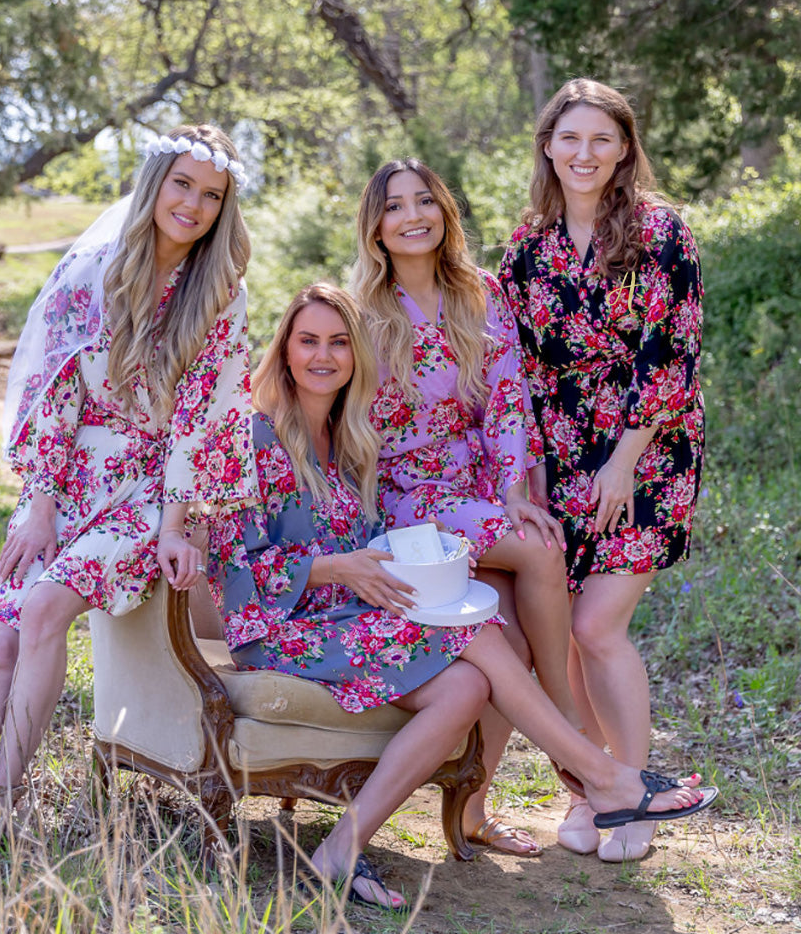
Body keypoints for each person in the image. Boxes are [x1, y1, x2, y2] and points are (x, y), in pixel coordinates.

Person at [208, 282, 715, 911]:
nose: (323, 355)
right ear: (284, 350)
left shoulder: (352, 441)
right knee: (477, 633)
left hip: (350, 618)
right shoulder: (253, 438)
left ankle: (341, 846)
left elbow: (373, 536)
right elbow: (232, 567)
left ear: (356, 356)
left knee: (468, 683)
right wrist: (336, 567)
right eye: (307, 340)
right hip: (283, 627)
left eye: (339, 342)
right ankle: (603, 776)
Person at [0, 124, 257, 853]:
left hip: (148, 494)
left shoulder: (218, 295)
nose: (194, 205)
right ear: (154, 185)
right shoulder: (95, 272)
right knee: (3, 639)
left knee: (47, 606)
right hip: (68, 477)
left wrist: (177, 524)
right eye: (182, 185)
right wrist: (41, 503)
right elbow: (56, 395)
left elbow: (200, 426)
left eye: (212, 195)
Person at [350, 159, 585, 858]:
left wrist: (515, 491)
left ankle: (474, 812)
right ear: (377, 227)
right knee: (540, 549)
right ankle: (568, 730)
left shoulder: (480, 293)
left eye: (426, 200)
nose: (413, 215)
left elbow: (509, 403)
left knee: (506, 633)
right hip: (403, 504)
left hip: (476, 490)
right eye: (396, 206)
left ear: (445, 213)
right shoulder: (362, 310)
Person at [499, 78, 706, 862]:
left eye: (601, 139)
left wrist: (623, 462)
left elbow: (670, 356)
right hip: (563, 463)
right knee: (565, 635)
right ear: (548, 146)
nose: (583, 154)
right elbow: (520, 371)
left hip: (647, 456)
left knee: (597, 626)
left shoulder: (660, 234)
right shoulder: (529, 246)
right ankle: (594, 792)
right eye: (569, 138)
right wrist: (536, 478)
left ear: (623, 150)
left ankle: (637, 794)